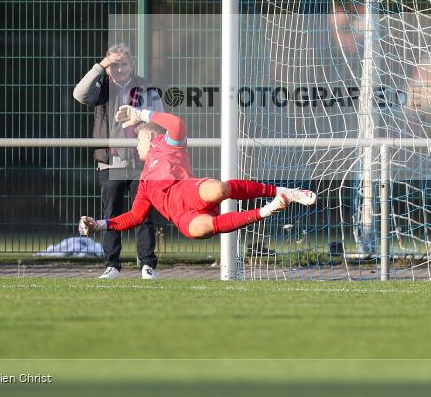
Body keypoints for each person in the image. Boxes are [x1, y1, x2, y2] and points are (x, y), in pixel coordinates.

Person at [79, 105, 316, 242]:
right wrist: (98, 225)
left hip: (189, 192)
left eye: (137, 140)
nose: (136, 146)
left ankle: (282, 191)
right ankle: (270, 208)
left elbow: (177, 124)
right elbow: (134, 216)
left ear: (148, 137)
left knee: (218, 189)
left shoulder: (167, 145)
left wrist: (141, 114)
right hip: (182, 216)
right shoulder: (144, 183)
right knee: (201, 229)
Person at [72, 43, 163, 280]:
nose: (119, 68)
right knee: (111, 215)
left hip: (141, 163)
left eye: (123, 63)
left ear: (131, 64)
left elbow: (160, 119)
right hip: (110, 163)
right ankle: (112, 265)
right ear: (108, 65)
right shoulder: (100, 87)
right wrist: (100, 67)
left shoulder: (145, 87)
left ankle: (147, 265)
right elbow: (79, 94)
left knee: (143, 215)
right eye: (114, 64)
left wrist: (141, 121)